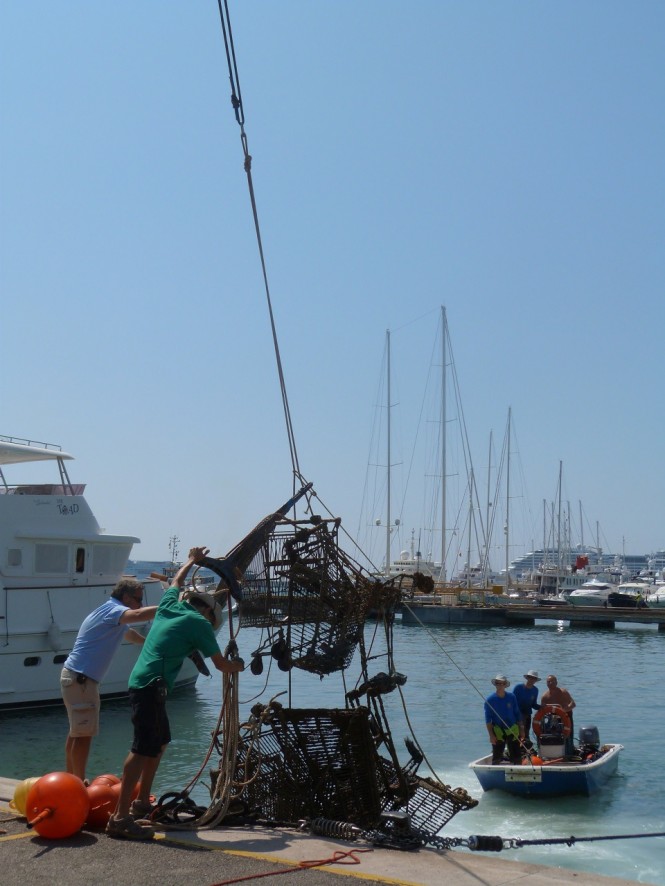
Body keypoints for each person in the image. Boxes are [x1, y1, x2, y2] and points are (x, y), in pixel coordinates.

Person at [106, 546, 244, 840]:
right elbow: (221, 665)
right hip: (150, 686)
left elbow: (176, 583)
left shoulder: (170, 604)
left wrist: (190, 561)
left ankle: (142, 803)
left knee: (160, 743)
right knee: (142, 748)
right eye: (212, 619)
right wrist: (238, 666)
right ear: (208, 611)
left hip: (144, 684)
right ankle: (119, 818)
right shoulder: (199, 624)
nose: (211, 623)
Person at [61, 579, 158, 782]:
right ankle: (77, 783)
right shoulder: (114, 611)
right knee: (83, 734)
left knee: (77, 732)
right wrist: (168, 607)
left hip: (75, 677)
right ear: (125, 597)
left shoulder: (109, 612)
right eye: (138, 599)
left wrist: (148, 643)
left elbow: (129, 634)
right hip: (82, 679)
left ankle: (70, 779)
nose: (140, 604)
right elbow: (138, 615)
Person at [484, 674, 524, 764]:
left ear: (505, 685)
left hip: (512, 729)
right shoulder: (489, 700)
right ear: (495, 684)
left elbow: (517, 714)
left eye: (502, 683)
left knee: (517, 756)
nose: (500, 685)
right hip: (498, 731)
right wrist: (491, 735)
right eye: (498, 683)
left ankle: (517, 769)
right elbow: (488, 720)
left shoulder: (511, 697)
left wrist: (522, 730)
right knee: (497, 757)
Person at [512, 670, 541, 747]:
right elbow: (512, 702)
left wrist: (543, 708)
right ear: (527, 678)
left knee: (526, 733)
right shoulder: (518, 688)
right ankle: (516, 750)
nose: (532, 680)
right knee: (519, 734)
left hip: (528, 714)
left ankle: (525, 750)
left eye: (534, 678)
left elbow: (533, 704)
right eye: (530, 677)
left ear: (536, 680)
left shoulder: (535, 690)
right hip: (518, 715)